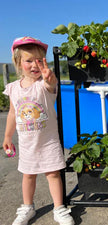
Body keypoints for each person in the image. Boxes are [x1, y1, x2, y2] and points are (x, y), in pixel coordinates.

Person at [2, 36, 75, 225]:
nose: (34, 65)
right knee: (28, 175)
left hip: (48, 141)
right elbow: (12, 114)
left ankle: (59, 208)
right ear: (18, 63)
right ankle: (27, 207)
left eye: (39, 60)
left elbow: (52, 85)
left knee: (53, 174)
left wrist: (50, 78)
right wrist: (8, 136)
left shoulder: (44, 85)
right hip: (27, 144)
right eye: (28, 60)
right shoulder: (12, 89)